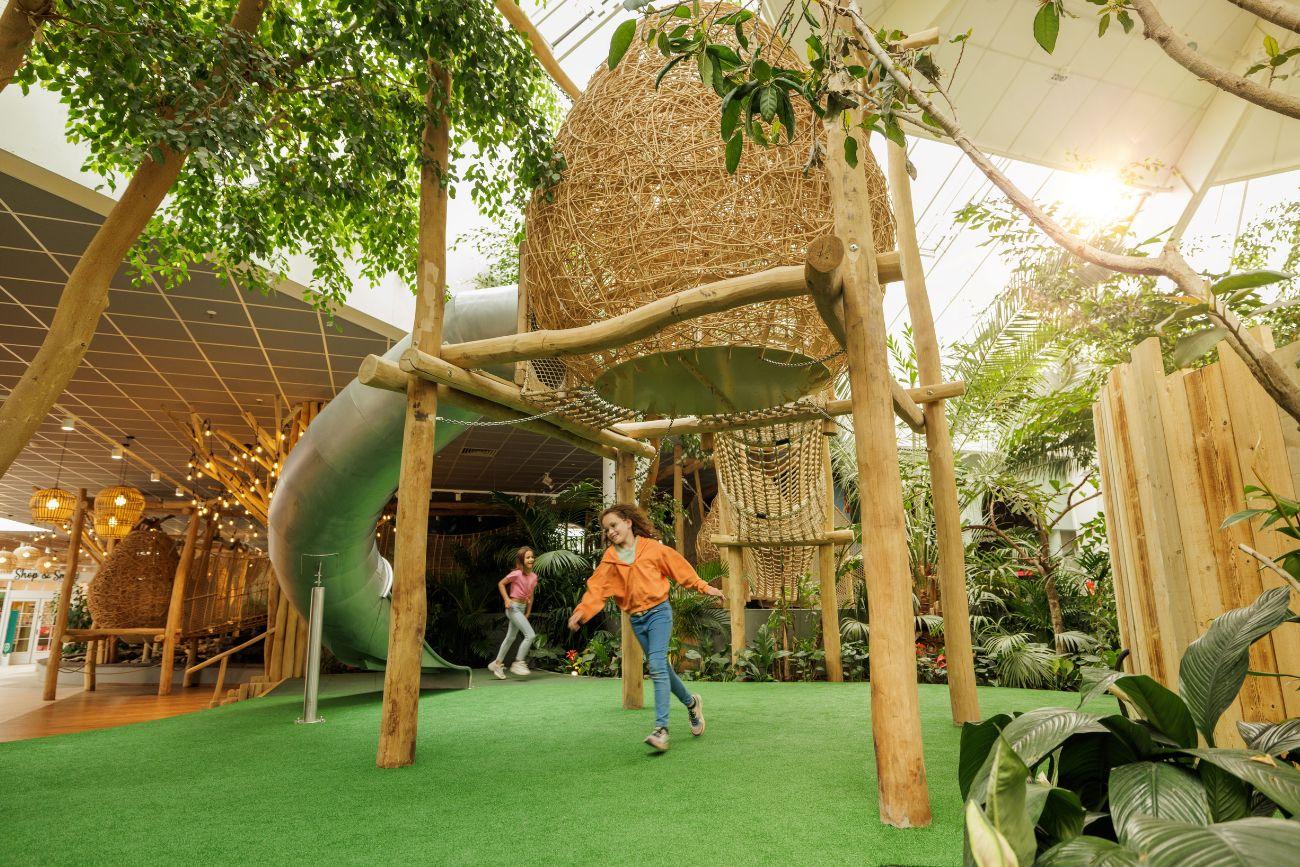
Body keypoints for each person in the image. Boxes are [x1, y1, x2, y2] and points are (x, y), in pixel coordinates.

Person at [568, 503, 724, 751]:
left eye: (614, 525)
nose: (610, 531)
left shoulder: (653, 549)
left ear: (628, 522)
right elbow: (597, 589)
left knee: (657, 666)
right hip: (637, 620)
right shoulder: (610, 559)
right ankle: (691, 703)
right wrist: (581, 612)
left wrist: (707, 588)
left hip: (659, 613)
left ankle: (661, 729)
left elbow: (682, 571)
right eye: (606, 529)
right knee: (664, 669)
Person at [488, 547, 539, 679]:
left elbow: (531, 595)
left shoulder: (534, 577)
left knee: (510, 638)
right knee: (530, 635)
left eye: (532, 557)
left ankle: (497, 664)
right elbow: (501, 584)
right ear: (522, 560)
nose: (531, 559)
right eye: (528, 557)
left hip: (522, 609)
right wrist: (506, 599)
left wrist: (528, 612)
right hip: (513, 608)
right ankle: (518, 662)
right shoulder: (516, 574)